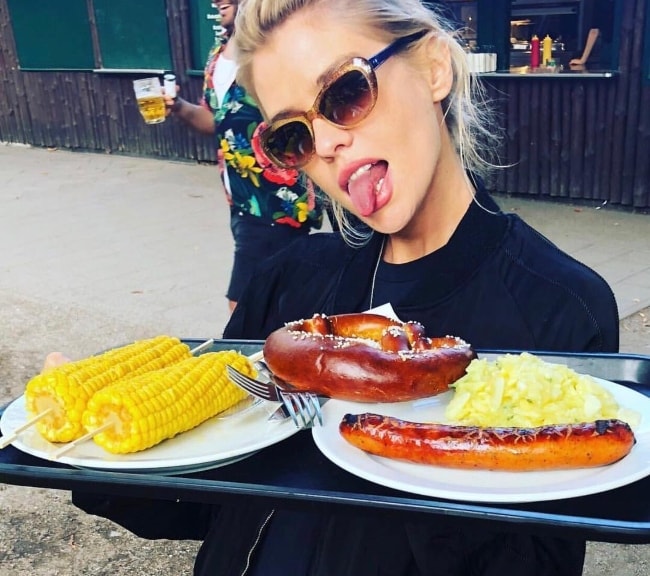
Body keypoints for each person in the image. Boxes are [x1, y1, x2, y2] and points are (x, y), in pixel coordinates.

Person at [74, 1, 619, 574]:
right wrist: (101, 455)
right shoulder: (288, 283)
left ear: (434, 67)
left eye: (344, 94)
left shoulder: (560, 307)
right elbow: (214, 504)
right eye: (292, 134)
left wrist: (411, 449)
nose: (328, 144)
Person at [164, 0, 322, 312]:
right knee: (276, 299)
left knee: (243, 304)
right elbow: (214, 119)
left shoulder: (275, 49)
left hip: (275, 202)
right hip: (239, 201)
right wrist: (179, 106)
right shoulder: (217, 55)